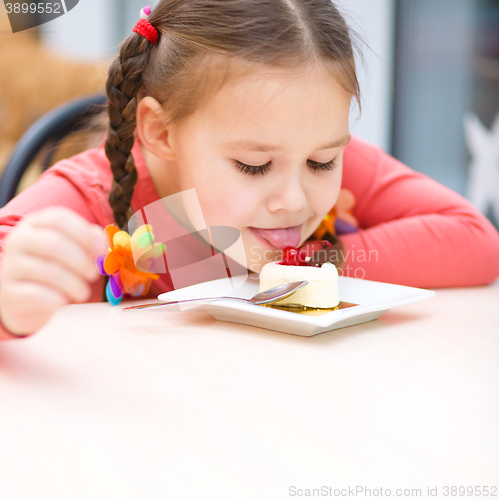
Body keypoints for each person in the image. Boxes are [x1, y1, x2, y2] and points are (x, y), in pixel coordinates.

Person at [0, 0, 498, 341]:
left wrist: (310, 266)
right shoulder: (88, 197)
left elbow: (475, 240)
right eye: (253, 166)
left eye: (322, 161)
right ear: (161, 132)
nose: (295, 199)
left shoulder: (305, 157)